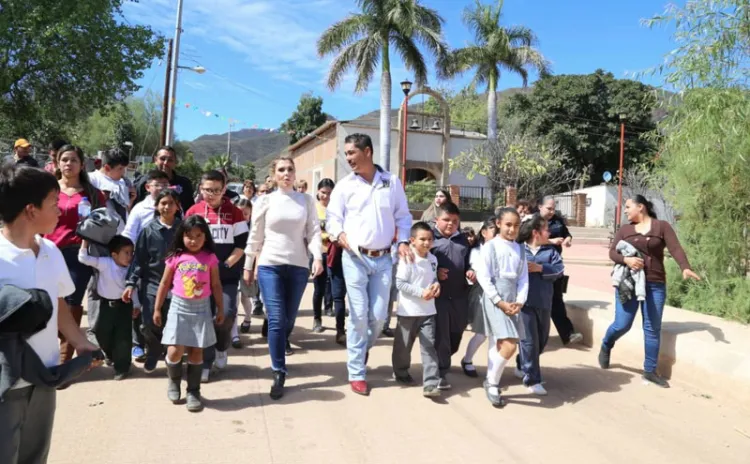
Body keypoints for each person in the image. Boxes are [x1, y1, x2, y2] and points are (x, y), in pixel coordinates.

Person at [0, 164, 99, 463]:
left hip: (44, 376)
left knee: (35, 455)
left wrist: (80, 342)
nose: (60, 212)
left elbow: (58, 307)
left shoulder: (51, 251)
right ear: (31, 210)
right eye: (54, 204)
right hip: (5, 383)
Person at [326, 133, 413, 396]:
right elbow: (332, 218)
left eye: (352, 152)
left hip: (384, 259)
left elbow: (404, 216)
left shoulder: (391, 182)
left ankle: (361, 348)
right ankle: (356, 372)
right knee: (359, 316)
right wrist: (337, 234)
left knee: (378, 317)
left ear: (368, 152)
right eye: (347, 153)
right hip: (354, 258)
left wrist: (405, 241)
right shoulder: (344, 186)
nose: (348, 158)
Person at [600, 195, 700, 388]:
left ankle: (650, 371)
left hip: (655, 283)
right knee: (622, 324)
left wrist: (684, 267)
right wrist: (626, 260)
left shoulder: (661, 227)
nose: (626, 210)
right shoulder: (625, 229)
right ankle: (606, 344)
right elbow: (613, 252)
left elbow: (676, 248)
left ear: (641, 207)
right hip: (629, 283)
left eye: (628, 207)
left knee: (652, 328)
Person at [245, 156, 323, 400]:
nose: (286, 173)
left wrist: (318, 257)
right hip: (270, 265)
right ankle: (278, 370)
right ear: (274, 174)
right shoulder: (265, 201)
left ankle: (281, 344)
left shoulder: (306, 201)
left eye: (290, 169)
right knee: (277, 319)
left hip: (298, 266)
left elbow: (313, 231)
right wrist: (249, 265)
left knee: (288, 319)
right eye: (281, 170)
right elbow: (255, 235)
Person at [154, 215, 224, 412]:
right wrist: (158, 308)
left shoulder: (210, 258)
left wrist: (220, 308)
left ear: (205, 237)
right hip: (179, 307)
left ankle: (194, 391)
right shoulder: (175, 257)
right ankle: (174, 381)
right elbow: (165, 283)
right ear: (181, 236)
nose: (193, 240)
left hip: (201, 308)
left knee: (196, 351)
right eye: (189, 236)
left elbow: (216, 284)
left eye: (198, 236)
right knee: (175, 350)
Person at [44, 145, 106, 364]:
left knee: (71, 303)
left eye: (73, 160)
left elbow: (103, 223)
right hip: (48, 252)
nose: (68, 164)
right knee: (48, 301)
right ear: (58, 163)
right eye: (64, 160)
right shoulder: (47, 190)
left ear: (81, 165)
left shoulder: (92, 193)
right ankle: (45, 354)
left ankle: (64, 358)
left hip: (78, 255)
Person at [185, 170, 248, 382]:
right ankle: (205, 362)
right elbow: (186, 244)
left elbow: (241, 245)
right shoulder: (193, 212)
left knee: (225, 315)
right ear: (200, 189)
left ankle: (222, 347)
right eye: (207, 190)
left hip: (227, 278)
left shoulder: (235, 213)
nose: (211, 194)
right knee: (204, 320)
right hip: (200, 278)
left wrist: (225, 264)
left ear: (224, 190)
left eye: (216, 190)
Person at [123, 189, 181, 373]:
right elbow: (139, 259)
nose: (167, 207)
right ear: (157, 206)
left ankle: (173, 356)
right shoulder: (148, 230)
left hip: (178, 284)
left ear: (177, 206)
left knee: (173, 322)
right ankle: (154, 350)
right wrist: (131, 283)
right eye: (163, 203)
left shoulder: (183, 229)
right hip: (152, 283)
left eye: (171, 203)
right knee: (148, 322)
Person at [475, 207, 528, 408]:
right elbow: (484, 277)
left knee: (503, 343)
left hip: (513, 300)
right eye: (508, 224)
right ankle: (492, 382)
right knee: (509, 346)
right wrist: (499, 301)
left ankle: (491, 378)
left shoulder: (520, 249)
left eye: (516, 225)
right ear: (498, 224)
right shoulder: (490, 247)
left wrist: (520, 301)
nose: (512, 229)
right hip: (496, 299)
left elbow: (523, 279)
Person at [515, 214, 564, 395]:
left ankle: (522, 363)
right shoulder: (519, 250)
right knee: (529, 341)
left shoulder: (550, 252)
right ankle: (532, 380)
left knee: (541, 341)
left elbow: (559, 270)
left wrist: (541, 268)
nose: (549, 232)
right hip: (524, 303)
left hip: (544, 302)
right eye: (546, 229)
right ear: (536, 232)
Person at [391, 221, 442, 398]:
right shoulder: (407, 258)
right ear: (412, 240)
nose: (427, 243)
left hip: (428, 312)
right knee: (403, 347)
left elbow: (433, 278)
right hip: (408, 312)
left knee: (429, 347)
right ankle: (401, 372)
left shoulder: (433, 259)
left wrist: (436, 286)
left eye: (430, 239)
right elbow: (400, 283)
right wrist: (421, 292)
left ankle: (430, 383)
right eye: (422, 239)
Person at [79, 236, 139, 380]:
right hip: (106, 305)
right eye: (126, 253)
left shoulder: (132, 269)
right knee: (102, 333)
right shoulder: (106, 263)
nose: (130, 256)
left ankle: (122, 368)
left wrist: (136, 305)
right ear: (114, 255)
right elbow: (83, 258)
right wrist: (85, 240)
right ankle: (111, 355)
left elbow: (134, 288)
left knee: (123, 337)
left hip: (125, 306)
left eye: (132, 253)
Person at [431, 202, 473, 390]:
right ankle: (441, 372)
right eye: (446, 220)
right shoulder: (430, 239)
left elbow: (470, 261)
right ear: (436, 220)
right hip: (439, 297)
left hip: (460, 295)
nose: (450, 224)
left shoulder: (463, 240)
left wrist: (471, 271)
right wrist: (435, 273)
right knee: (442, 335)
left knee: (457, 331)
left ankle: (446, 356)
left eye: (455, 221)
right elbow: (422, 263)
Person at [539, 196, 583, 345]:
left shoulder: (558, 221)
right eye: (548, 208)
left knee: (557, 301)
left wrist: (568, 239)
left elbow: (566, 233)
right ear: (540, 207)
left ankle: (568, 334)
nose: (552, 211)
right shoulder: (531, 222)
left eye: (553, 208)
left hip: (554, 266)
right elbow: (526, 240)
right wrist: (549, 241)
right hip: (536, 266)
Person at [461, 216, 497, 378]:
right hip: (482, 295)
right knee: (482, 333)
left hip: (499, 296)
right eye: (494, 232)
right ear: (484, 233)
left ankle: (493, 371)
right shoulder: (476, 251)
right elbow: (479, 273)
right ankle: (467, 360)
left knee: (496, 335)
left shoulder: (505, 249)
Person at [134, 146, 194, 212]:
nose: (166, 163)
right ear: (155, 160)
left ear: (175, 162)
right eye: (162, 159)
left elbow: (190, 210)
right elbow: (134, 207)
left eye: (170, 160)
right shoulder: (144, 182)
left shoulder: (184, 183)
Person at [122, 170, 170, 243]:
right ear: (147, 187)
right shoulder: (139, 208)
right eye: (157, 185)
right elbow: (129, 234)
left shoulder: (175, 207)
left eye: (165, 185)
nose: (161, 188)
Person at [311, 178, 334, 332]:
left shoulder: (336, 209)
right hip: (318, 254)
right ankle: (317, 318)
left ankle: (330, 308)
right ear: (318, 192)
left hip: (334, 253)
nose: (326, 196)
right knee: (318, 288)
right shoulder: (313, 209)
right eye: (323, 193)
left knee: (333, 285)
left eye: (329, 193)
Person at [234, 197, 255, 346]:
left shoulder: (254, 229)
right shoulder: (232, 226)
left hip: (249, 266)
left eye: (246, 214)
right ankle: (233, 329)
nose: (243, 217)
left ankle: (247, 318)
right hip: (234, 264)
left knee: (245, 297)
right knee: (233, 298)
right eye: (240, 213)